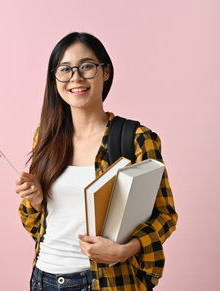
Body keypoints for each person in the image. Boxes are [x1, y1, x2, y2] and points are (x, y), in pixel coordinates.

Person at [15, 32, 177, 291]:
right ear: (55, 78)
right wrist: (34, 202)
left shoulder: (136, 139)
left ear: (106, 72)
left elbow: (165, 216)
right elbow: (38, 224)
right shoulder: (46, 137)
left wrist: (126, 250)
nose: (76, 78)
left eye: (87, 67)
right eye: (65, 69)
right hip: (43, 278)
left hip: (106, 282)